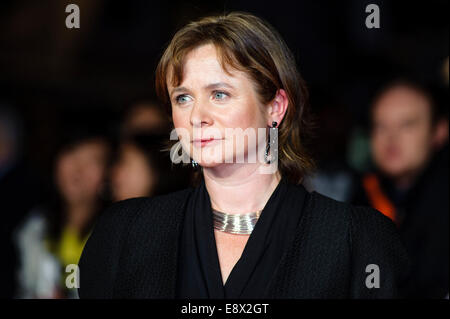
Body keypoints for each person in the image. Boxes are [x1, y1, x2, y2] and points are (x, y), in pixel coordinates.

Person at [78, 12, 409, 299]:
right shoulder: (126, 234)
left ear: (275, 107)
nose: (197, 116)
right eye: (183, 98)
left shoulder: (356, 242)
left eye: (219, 94)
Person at [352, 80, 449, 298]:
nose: (391, 138)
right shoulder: (362, 194)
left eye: (407, 124)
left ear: (439, 131)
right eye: (380, 126)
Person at [14, 128, 110, 298]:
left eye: (92, 160)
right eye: (72, 153)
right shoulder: (32, 227)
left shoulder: (113, 234)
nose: (78, 170)